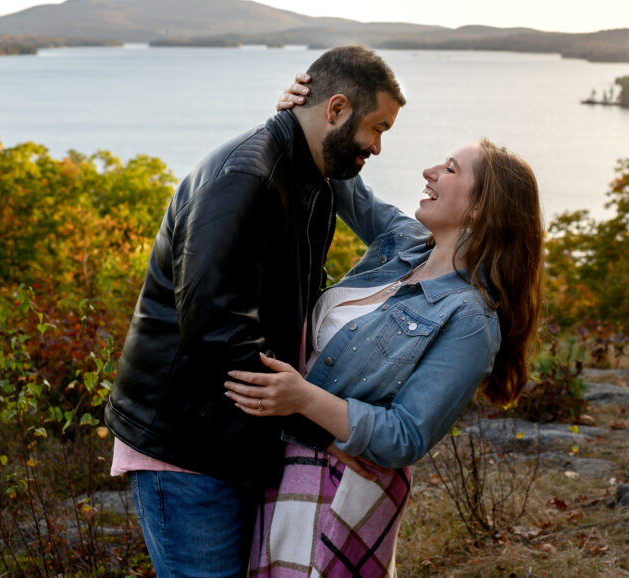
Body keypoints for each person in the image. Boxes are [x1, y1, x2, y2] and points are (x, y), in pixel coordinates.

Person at [103, 46, 405, 578]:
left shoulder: (310, 178)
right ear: (335, 110)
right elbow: (217, 326)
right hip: (186, 447)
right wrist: (319, 427)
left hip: (231, 439)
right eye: (376, 128)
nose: (378, 147)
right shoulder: (245, 176)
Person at [224, 79, 544, 576]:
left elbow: (405, 436)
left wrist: (302, 399)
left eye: (450, 169)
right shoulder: (404, 241)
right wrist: (308, 118)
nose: (429, 171)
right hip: (287, 460)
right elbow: (344, 182)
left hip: (342, 490)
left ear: (481, 207)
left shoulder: (470, 320)